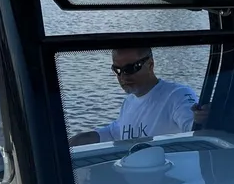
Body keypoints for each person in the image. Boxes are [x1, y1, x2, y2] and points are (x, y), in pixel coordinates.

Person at [69, 47, 206, 147]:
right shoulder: (129, 101)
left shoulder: (178, 95)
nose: (123, 76)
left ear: (150, 65)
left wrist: (201, 117)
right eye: (117, 70)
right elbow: (114, 133)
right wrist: (75, 141)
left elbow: (192, 127)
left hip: (175, 182)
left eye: (130, 68)